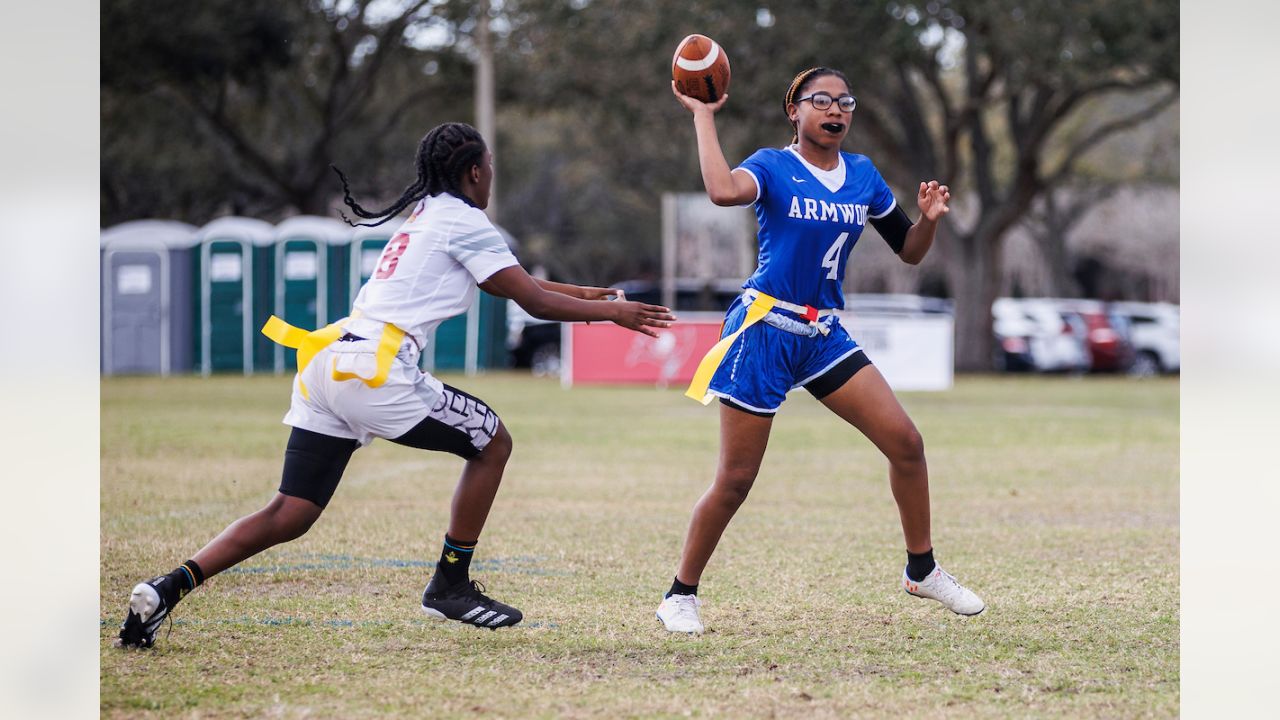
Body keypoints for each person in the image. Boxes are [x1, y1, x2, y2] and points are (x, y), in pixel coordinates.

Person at [117, 122, 676, 647]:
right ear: (475, 173)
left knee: (291, 511)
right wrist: (613, 317)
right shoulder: (462, 219)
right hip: (377, 372)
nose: (491, 176)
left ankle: (165, 590)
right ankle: (450, 584)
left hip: (329, 361)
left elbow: (520, 282)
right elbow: (528, 298)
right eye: (490, 167)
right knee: (493, 442)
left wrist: (595, 297)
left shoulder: (429, 214)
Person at [655, 68, 984, 634]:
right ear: (795, 111)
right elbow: (721, 191)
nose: (836, 110)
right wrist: (703, 116)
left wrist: (927, 222)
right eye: (822, 100)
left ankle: (921, 570)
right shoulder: (772, 165)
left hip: (823, 333)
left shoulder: (862, 175)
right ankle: (679, 594)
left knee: (906, 443)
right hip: (764, 329)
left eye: (845, 102)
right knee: (736, 479)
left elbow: (908, 251)